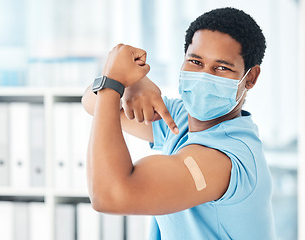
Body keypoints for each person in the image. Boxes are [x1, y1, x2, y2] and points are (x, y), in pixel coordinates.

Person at [82, 7, 276, 239]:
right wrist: (134, 83)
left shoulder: (221, 161)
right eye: (195, 61)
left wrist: (116, 81)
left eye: (222, 67)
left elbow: (109, 195)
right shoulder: (180, 119)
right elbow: (92, 102)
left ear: (251, 77)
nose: (205, 75)